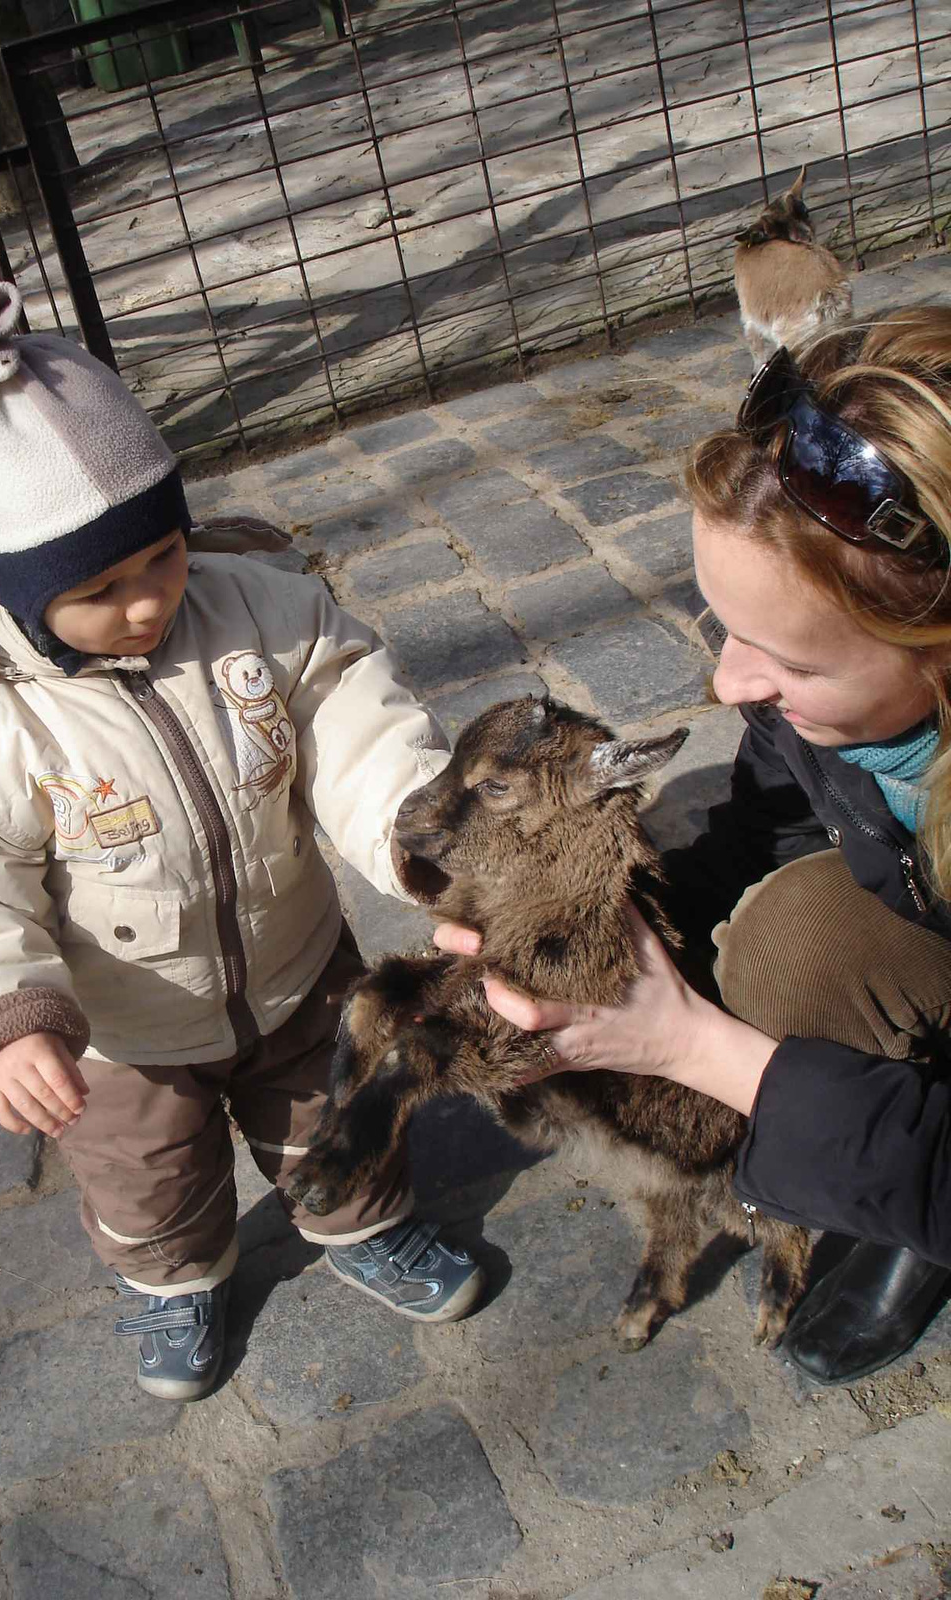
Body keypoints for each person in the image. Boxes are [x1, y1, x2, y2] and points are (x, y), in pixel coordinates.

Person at [0, 281, 483, 1402]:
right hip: (125, 1031)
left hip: (297, 969)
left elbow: (352, 716)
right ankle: (177, 1279)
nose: (147, 602)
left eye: (159, 555)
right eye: (99, 589)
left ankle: (363, 1226)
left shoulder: (259, 612)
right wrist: (0, 1023)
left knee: (338, 1115)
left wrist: (417, 825)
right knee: (148, 1176)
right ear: (17, 592)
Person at [437, 308, 951, 1385]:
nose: (726, 688)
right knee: (776, 939)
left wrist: (697, 1051)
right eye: (723, 631)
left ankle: (915, 1212)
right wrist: (584, 941)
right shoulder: (815, 710)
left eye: (787, 663)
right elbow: (765, 817)